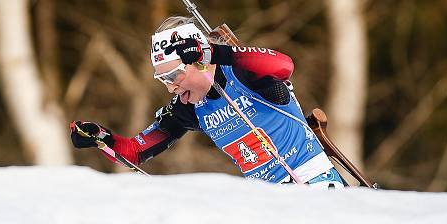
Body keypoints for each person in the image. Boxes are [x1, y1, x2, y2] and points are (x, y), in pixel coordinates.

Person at [70, 16, 346, 188]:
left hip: (315, 185)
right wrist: (101, 137)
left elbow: (283, 65)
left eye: (174, 75)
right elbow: (136, 152)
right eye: (162, 80)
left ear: (199, 61)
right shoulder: (189, 107)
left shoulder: (240, 73)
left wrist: (216, 52)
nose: (171, 88)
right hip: (269, 201)